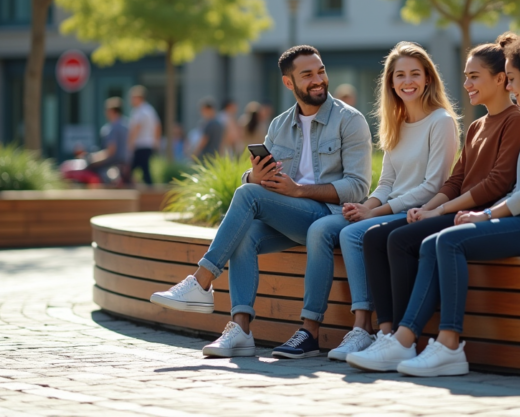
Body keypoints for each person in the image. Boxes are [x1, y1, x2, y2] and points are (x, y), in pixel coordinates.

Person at [351, 32, 520, 377]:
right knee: (435, 241)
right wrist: (464, 213)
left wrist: (486, 214)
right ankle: (403, 339)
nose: (510, 86)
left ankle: (448, 345)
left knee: (449, 239)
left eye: (513, 79)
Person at [149, 45, 372, 360]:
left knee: (253, 200)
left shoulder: (350, 121)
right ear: (288, 83)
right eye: (307, 74)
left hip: (332, 214)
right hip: (295, 216)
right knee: (247, 230)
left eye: (320, 71)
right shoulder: (280, 125)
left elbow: (358, 187)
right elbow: (252, 181)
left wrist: (299, 191)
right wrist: (254, 177)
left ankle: (202, 281)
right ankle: (240, 329)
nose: (318, 79)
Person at [310, 42, 460, 361]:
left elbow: (433, 185)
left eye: (415, 74)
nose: (408, 81)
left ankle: (375, 329)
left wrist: (375, 211)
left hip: (421, 210)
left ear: (428, 78)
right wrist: (368, 205)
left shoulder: (441, 121)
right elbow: (387, 182)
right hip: (391, 207)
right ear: (391, 82)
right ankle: (372, 331)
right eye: (400, 75)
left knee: (354, 233)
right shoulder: (396, 122)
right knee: (344, 228)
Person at [88, 97, 130, 183]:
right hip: (126, 165)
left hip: (111, 166)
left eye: (106, 110)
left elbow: (111, 151)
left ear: (112, 111)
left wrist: (92, 159)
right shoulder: (128, 125)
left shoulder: (111, 128)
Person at [128, 85, 161, 185]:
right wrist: (155, 141)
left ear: (139, 98)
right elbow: (158, 126)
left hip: (141, 144)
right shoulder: (149, 110)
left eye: (133, 97)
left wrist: (130, 143)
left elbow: (137, 128)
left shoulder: (140, 111)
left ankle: (148, 191)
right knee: (144, 169)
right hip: (148, 144)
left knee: (133, 168)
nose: (131, 100)